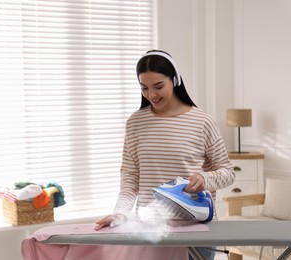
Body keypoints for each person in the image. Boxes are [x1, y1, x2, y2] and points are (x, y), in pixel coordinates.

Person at [95, 50, 235, 259]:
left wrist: (204, 179)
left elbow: (228, 172)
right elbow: (130, 179)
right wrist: (120, 214)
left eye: (158, 86)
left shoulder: (202, 121)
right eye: (144, 88)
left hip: (196, 232)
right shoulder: (136, 123)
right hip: (151, 231)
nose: (151, 95)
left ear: (175, 80)